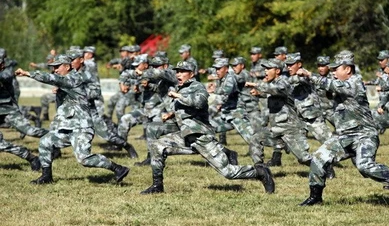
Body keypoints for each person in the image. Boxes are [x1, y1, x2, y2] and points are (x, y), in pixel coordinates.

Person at [300, 50, 389, 206]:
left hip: (364, 135)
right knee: (318, 159)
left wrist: (309, 74)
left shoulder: (354, 82)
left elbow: (331, 84)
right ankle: (316, 197)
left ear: (347, 69)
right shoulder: (340, 83)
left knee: (364, 166)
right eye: (332, 69)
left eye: (336, 69)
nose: (333, 72)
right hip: (344, 136)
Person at [141, 61, 274, 194]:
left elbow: (200, 102)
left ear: (192, 74)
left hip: (201, 137)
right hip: (185, 135)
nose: (178, 74)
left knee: (228, 172)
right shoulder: (179, 87)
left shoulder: (197, 86)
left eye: (182, 71)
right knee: (157, 146)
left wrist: (179, 96)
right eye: (177, 71)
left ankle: (260, 172)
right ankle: (157, 186)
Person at [15, 54, 130, 184]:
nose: (55, 70)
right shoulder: (66, 81)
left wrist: (27, 73)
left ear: (67, 66)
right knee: (45, 142)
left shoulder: (73, 78)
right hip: (68, 126)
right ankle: (46, 177)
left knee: (84, 159)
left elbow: (50, 78)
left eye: (57, 67)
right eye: (53, 67)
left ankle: (118, 168)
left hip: (81, 127)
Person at [67, 49, 138, 158]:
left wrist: (82, 94)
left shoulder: (88, 74)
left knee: (106, 135)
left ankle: (127, 146)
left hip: (90, 112)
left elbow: (96, 91)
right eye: (69, 60)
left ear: (81, 60)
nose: (71, 62)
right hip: (76, 112)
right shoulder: (69, 74)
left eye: (73, 60)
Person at [246, 58, 312, 167]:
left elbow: (277, 90)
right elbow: (272, 94)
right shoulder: (272, 83)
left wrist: (256, 85)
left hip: (291, 129)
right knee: (256, 139)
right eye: (265, 69)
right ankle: (260, 170)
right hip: (277, 129)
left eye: (268, 68)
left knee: (304, 158)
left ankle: (325, 167)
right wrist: (259, 93)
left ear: (277, 71)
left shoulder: (284, 82)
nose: (266, 71)